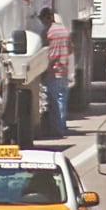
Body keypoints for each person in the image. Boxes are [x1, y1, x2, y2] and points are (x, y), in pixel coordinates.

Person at [38, 7, 72, 138]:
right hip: (64, 70)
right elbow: (70, 50)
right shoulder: (64, 30)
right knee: (62, 100)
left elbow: (44, 52)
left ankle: (57, 130)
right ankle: (62, 127)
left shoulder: (47, 32)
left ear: (47, 18)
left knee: (54, 103)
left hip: (52, 71)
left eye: (42, 19)